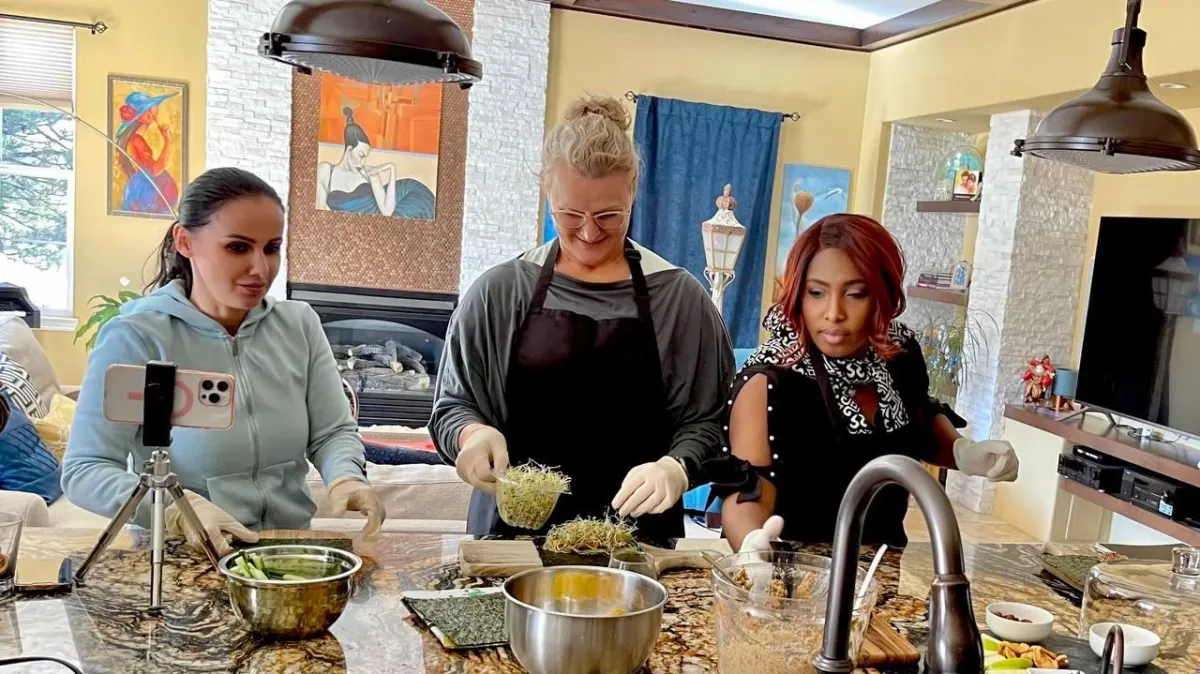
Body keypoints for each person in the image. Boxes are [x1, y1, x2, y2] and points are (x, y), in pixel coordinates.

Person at [432, 95, 735, 540]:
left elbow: (713, 421)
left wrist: (678, 466)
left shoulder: (678, 299)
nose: (590, 232)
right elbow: (452, 407)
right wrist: (472, 436)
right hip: (510, 545)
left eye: (609, 215)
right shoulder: (501, 292)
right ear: (547, 193)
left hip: (637, 549)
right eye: (571, 215)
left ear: (633, 191)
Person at [63, 167, 385, 555]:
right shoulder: (137, 335)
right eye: (237, 248)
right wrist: (177, 511)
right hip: (182, 555)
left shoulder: (299, 325)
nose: (261, 269)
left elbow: (331, 432)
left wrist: (346, 476)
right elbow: (86, 469)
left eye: (272, 248)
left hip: (285, 551)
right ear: (185, 241)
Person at [712, 214, 1018, 552]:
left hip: (882, 564)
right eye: (816, 293)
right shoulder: (769, 379)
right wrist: (752, 546)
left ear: (883, 296)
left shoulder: (899, 353)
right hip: (794, 568)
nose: (833, 313)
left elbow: (916, 422)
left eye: (855, 294)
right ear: (798, 295)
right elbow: (747, 490)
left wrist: (964, 452)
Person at [317, 107, 435, 219]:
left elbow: (387, 212)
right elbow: (319, 213)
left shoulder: (368, 172)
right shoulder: (326, 170)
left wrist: (391, 167)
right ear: (349, 150)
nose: (362, 162)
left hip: (411, 193)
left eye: (365, 158)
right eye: (361, 156)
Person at [115, 90, 180, 216]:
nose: (152, 113)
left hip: (148, 192)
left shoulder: (137, 139)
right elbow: (156, 170)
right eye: (147, 109)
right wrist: (167, 141)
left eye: (153, 109)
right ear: (137, 114)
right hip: (147, 193)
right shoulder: (136, 140)